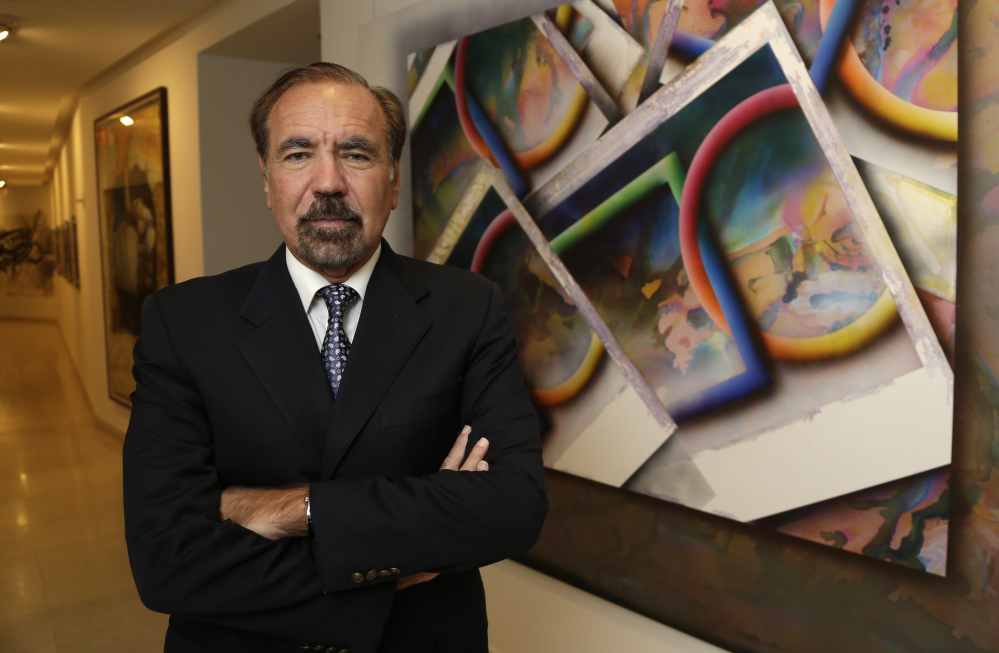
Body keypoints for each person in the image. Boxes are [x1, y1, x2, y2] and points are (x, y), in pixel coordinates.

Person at [123, 62, 548, 653]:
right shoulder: (183, 322)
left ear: (393, 181)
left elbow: (513, 506)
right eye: (298, 154)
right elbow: (167, 559)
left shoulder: (468, 308)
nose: (327, 182)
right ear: (267, 180)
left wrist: (296, 509)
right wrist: (402, 553)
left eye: (356, 154)